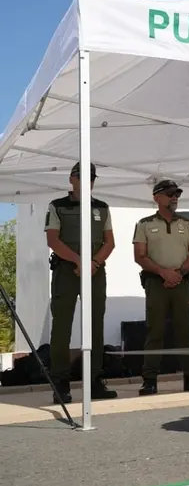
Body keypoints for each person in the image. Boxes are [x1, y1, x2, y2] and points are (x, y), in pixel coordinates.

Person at [45, 162, 117, 403]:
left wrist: (93, 263)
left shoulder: (102, 207)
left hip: (95, 271)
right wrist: (79, 261)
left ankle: (94, 380)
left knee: (96, 324)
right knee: (62, 327)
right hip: (67, 271)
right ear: (71, 179)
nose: (87, 181)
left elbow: (110, 242)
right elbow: (53, 240)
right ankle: (60, 383)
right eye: (82, 176)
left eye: (91, 177)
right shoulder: (57, 206)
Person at [131, 179, 189, 396]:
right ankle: (149, 380)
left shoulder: (188, 224)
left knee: (185, 331)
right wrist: (163, 272)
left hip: (181, 282)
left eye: (177, 195)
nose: (175, 198)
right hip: (156, 282)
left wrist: (178, 273)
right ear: (157, 198)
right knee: (155, 330)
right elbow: (139, 256)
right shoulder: (144, 224)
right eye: (170, 194)